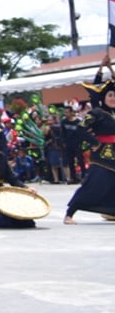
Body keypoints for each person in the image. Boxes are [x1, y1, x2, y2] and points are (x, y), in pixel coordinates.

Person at [64, 56, 115, 224]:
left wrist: (110, 69)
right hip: (102, 155)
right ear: (104, 97)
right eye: (110, 95)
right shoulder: (97, 113)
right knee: (94, 183)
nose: (113, 98)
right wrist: (95, 143)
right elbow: (80, 128)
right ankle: (70, 214)